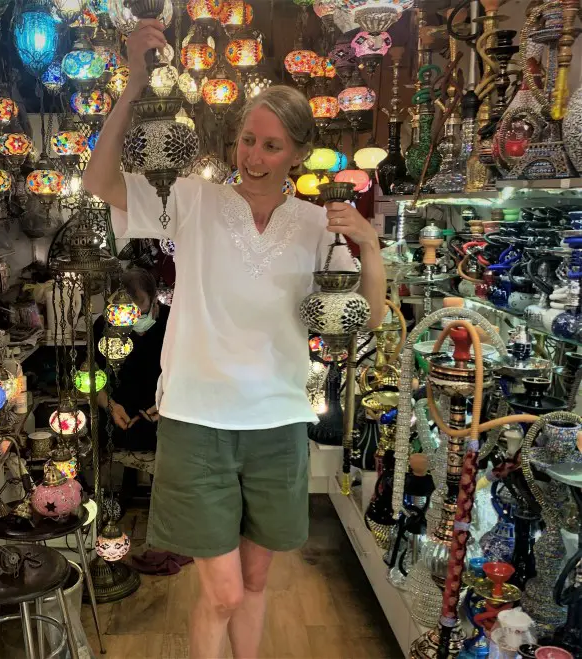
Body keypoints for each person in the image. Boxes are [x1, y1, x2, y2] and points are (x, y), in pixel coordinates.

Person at [83, 19, 386, 659]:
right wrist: (134, 85)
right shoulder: (193, 201)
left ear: (299, 154)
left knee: (253, 582)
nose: (252, 156)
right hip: (197, 418)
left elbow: (367, 318)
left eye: (272, 146)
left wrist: (370, 249)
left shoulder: (315, 226)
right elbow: (100, 183)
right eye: (247, 140)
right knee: (219, 592)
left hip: (278, 422)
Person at [95, 267, 169, 452]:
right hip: (117, 416)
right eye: (127, 318)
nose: (135, 324)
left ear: (155, 300)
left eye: (141, 314)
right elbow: (90, 378)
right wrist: (110, 405)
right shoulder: (104, 327)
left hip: (167, 415)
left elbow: (192, 373)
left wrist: (170, 402)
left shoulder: (174, 322)